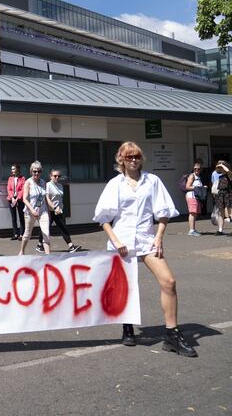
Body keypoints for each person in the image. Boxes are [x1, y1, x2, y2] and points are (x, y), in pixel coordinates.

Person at [93, 141, 197, 357]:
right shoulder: (115, 184)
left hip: (147, 240)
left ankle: (172, 334)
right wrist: (116, 241)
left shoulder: (152, 181)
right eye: (129, 157)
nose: (133, 160)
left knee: (168, 281)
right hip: (121, 242)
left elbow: (163, 212)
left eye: (137, 156)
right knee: (125, 287)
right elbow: (104, 219)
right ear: (121, 159)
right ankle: (127, 327)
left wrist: (158, 237)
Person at [37, 169, 82, 253]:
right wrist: (54, 208)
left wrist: (60, 208)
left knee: (63, 227)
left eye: (58, 176)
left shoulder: (60, 186)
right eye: (55, 176)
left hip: (59, 211)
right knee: (45, 228)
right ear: (50, 176)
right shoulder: (48, 185)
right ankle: (40, 245)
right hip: (50, 211)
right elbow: (47, 199)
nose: (57, 177)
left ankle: (71, 246)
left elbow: (60, 199)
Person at [18, 161, 52, 255]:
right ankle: (22, 251)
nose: (36, 173)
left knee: (46, 233)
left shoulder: (43, 182)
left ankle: (48, 256)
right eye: (34, 171)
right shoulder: (28, 182)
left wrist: (50, 211)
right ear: (31, 171)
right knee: (27, 234)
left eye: (39, 171)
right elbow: (24, 198)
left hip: (42, 211)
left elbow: (45, 198)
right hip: (30, 211)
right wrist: (32, 210)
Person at [212, 161, 231, 235]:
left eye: (222, 167)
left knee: (230, 213)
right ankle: (220, 230)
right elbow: (216, 170)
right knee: (221, 213)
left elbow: (228, 172)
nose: (221, 168)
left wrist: (224, 166)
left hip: (228, 194)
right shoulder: (220, 176)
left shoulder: (229, 175)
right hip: (220, 194)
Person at [185, 162, 205, 236]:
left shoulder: (198, 177)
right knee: (192, 213)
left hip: (196, 197)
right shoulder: (192, 176)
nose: (197, 170)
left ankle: (193, 229)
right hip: (191, 196)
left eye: (198, 169)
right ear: (193, 169)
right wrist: (199, 188)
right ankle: (191, 230)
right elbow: (187, 187)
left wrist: (202, 188)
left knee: (194, 213)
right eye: (195, 169)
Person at [6, 164, 25, 240]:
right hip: (11, 199)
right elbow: (9, 189)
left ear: (17, 169)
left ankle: (21, 234)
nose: (12, 171)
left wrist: (17, 198)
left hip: (20, 199)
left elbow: (23, 189)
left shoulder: (22, 178)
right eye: (12, 169)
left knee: (21, 217)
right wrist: (12, 198)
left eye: (13, 169)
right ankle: (15, 234)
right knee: (13, 218)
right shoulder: (10, 178)